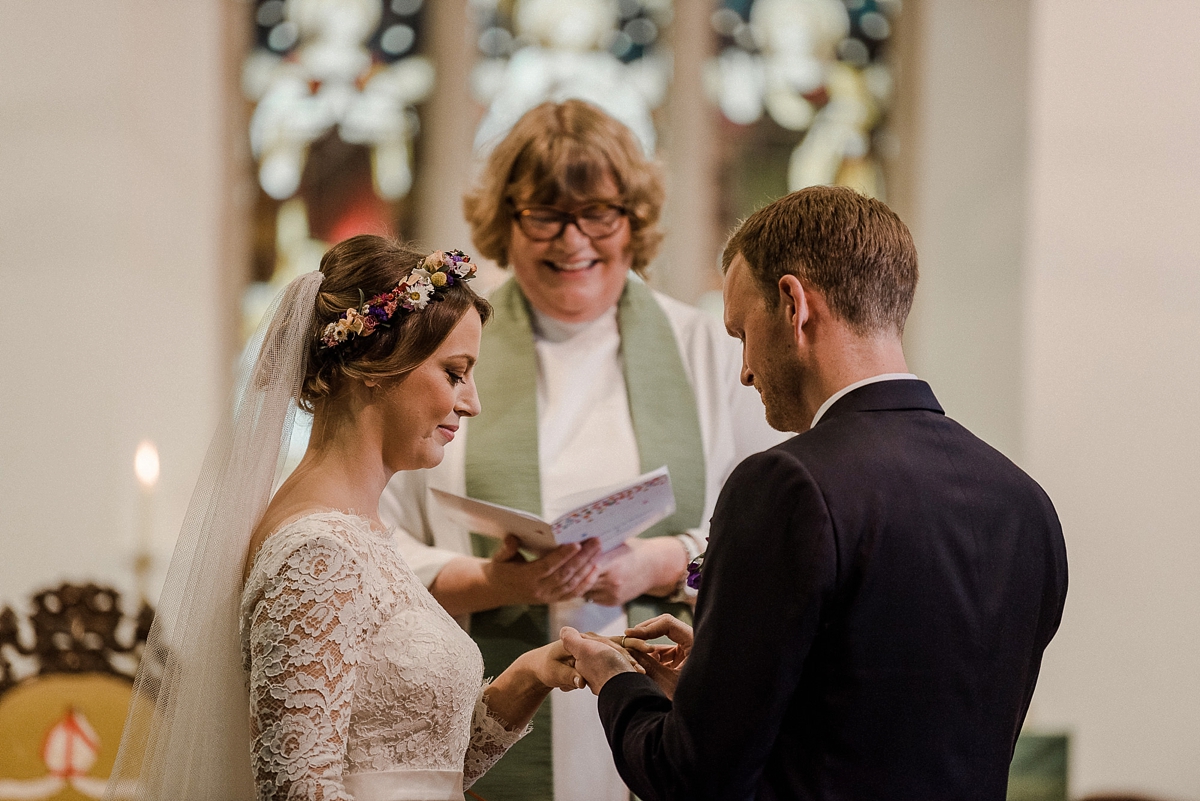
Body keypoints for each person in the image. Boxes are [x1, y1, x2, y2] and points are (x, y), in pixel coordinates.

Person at [562, 186, 1069, 800]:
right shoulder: (1025, 503)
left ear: (793, 304)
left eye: (742, 333)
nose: (745, 369)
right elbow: (894, 718)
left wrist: (616, 681)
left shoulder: (785, 484)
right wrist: (717, 682)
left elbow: (692, 777)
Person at [105, 236, 625, 801]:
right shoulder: (316, 553)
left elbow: (419, 767)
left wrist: (530, 674)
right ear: (377, 367)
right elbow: (299, 792)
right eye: (455, 373)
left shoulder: (359, 533)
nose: (472, 402)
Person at [379, 99, 782, 801]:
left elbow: (773, 530)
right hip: (490, 707)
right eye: (545, 213)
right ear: (507, 218)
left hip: (668, 706)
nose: (574, 241)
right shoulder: (447, 349)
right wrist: (497, 581)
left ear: (635, 218)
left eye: (599, 212)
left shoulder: (707, 349)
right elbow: (372, 534)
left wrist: (657, 562)